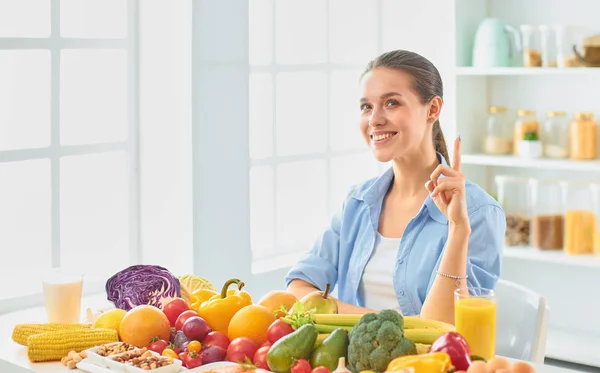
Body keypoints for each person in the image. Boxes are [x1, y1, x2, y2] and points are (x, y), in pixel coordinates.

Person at [285, 50, 506, 324]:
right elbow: (297, 289)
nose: (374, 119)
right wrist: (388, 324)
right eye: (366, 106)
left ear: (433, 109)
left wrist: (458, 228)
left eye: (391, 103)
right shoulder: (357, 201)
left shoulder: (479, 212)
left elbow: (444, 329)